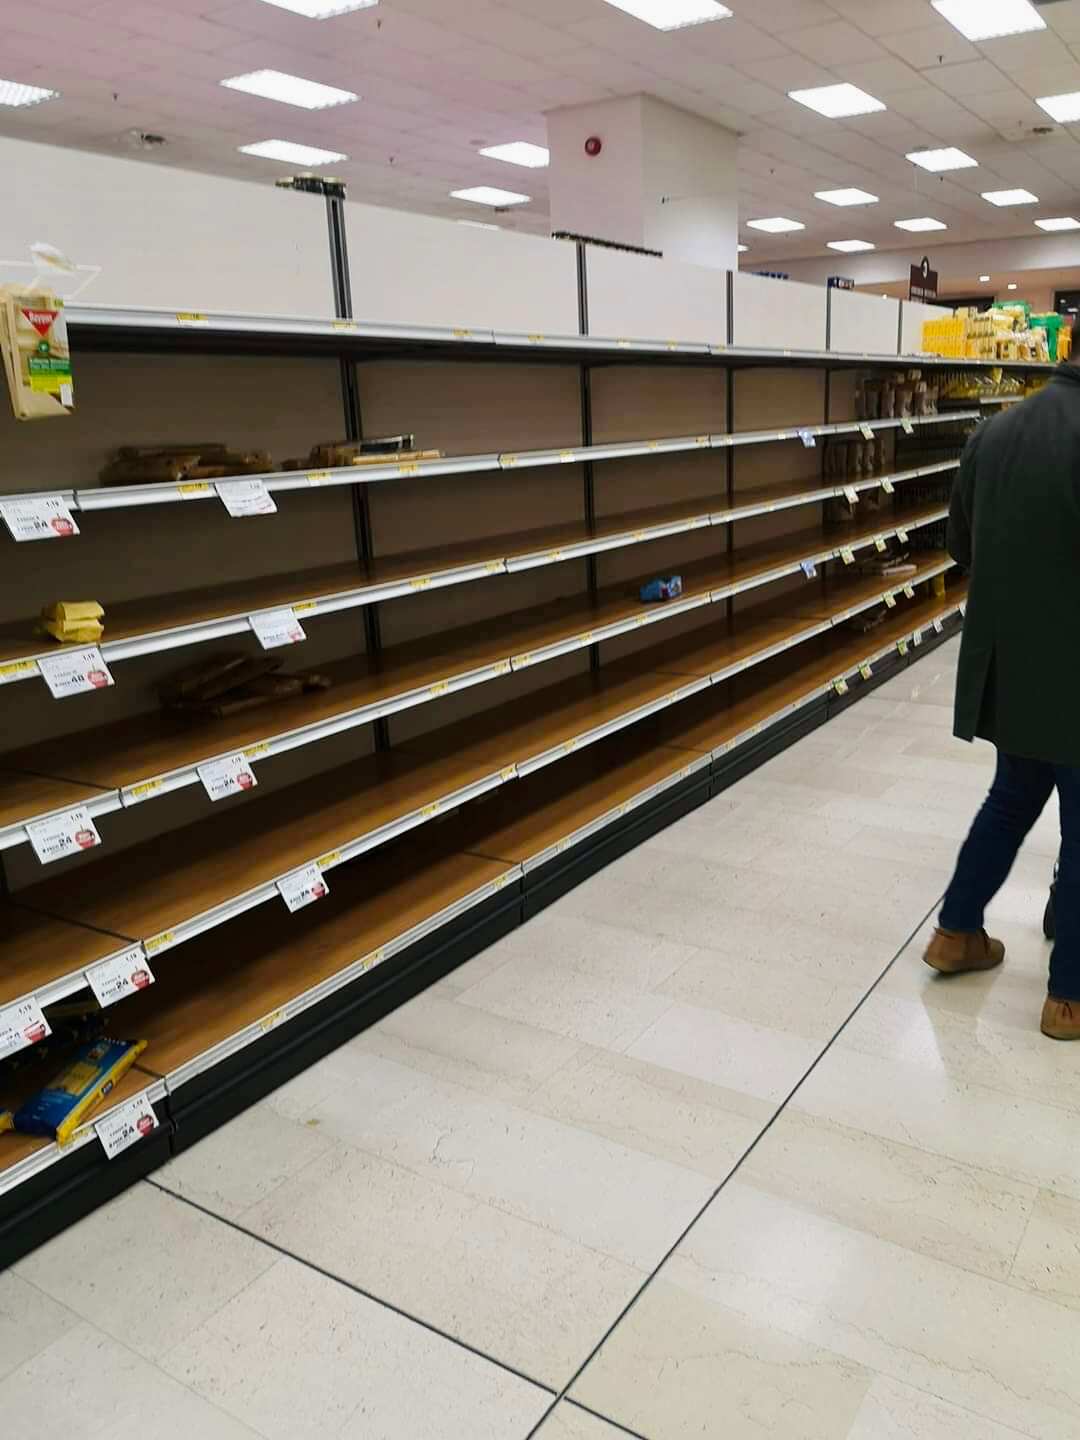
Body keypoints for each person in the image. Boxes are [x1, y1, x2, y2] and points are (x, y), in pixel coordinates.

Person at [923, 361, 1080, 1040]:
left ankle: (957, 931)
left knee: (1011, 798)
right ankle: (1069, 995)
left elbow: (961, 544)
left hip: (1013, 668)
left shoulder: (996, 432)